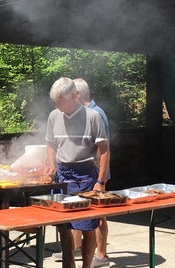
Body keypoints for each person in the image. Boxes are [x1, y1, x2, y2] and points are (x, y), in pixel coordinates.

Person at [45, 77, 110, 268]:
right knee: (64, 226)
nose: (58, 106)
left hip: (85, 174)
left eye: (61, 102)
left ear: (74, 96)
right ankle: (69, 265)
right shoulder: (53, 116)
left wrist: (101, 181)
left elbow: (104, 150)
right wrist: (51, 165)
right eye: (55, 102)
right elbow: (50, 144)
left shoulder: (93, 117)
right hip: (62, 175)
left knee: (88, 226)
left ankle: (86, 266)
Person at [73, 78, 111, 267]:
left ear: (78, 95)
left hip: (96, 173)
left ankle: (102, 255)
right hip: (83, 173)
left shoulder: (96, 113)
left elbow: (102, 147)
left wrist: (99, 178)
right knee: (78, 209)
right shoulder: (82, 113)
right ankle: (78, 247)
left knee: (98, 213)